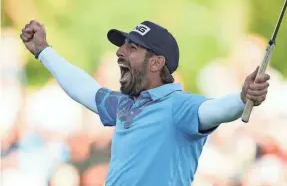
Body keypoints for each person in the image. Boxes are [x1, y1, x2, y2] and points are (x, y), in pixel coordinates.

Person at [20, 20, 270, 186]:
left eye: (132, 47)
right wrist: (43, 51)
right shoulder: (124, 105)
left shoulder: (179, 106)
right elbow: (84, 88)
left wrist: (242, 97)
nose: (120, 52)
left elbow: (214, 110)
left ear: (156, 63)